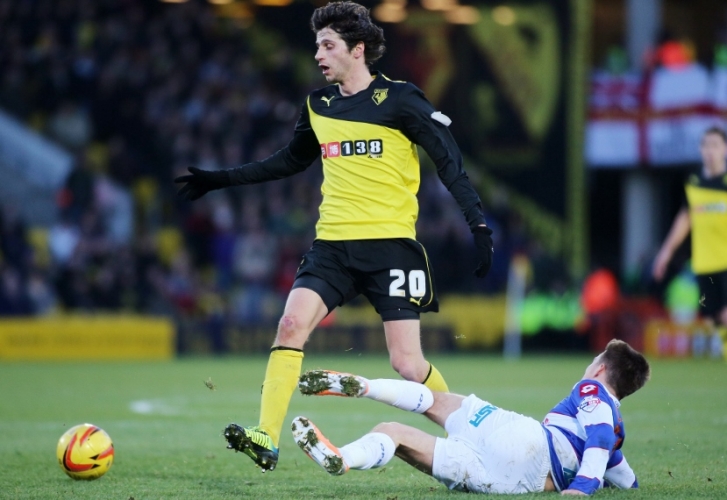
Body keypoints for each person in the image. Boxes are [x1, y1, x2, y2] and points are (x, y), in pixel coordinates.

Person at [174, 1, 493, 472]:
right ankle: (266, 437)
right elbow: (289, 160)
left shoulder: (402, 99)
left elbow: (449, 162)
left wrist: (478, 224)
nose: (318, 55)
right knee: (290, 325)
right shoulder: (318, 106)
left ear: (357, 49)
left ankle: (471, 437)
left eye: (328, 45)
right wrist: (220, 179)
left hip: (392, 248)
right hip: (333, 247)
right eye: (317, 46)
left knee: (407, 365)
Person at [293, 339, 650, 495]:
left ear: (600, 369)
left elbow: (600, 436)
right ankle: (342, 458)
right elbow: (624, 477)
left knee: (436, 401)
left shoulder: (591, 390)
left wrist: (584, 486)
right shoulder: (616, 434)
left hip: (527, 442)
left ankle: (367, 387)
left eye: (593, 362)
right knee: (395, 434)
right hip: (509, 482)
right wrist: (624, 486)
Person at [653, 126, 727, 329]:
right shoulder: (693, 182)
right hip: (705, 263)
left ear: (724, 149)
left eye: (715, 145)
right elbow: (685, 218)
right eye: (706, 145)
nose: (710, 151)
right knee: (712, 320)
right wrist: (666, 252)